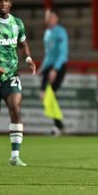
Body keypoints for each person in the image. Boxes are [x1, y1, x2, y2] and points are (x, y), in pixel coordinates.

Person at [0, 0, 36, 166]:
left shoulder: (17, 23)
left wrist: (28, 59)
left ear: (11, 3)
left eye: (6, 0)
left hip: (11, 75)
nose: (3, 3)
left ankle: (15, 156)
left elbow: (23, 45)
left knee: (15, 108)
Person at [38, 8, 68, 136]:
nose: (49, 19)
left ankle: (58, 125)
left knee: (48, 94)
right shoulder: (47, 33)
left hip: (58, 67)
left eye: (51, 17)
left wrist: (55, 69)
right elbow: (48, 54)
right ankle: (58, 124)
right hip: (49, 67)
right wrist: (42, 67)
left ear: (57, 19)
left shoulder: (60, 32)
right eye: (47, 17)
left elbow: (62, 53)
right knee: (44, 95)